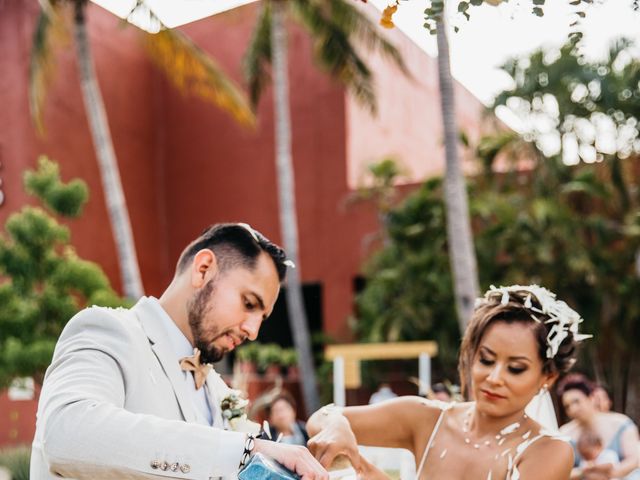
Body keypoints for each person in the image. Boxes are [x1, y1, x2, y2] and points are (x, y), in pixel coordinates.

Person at [30, 223, 328, 480]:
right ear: (203, 270)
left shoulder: (216, 389)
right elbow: (66, 432)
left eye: (261, 317)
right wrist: (248, 448)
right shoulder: (107, 329)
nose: (253, 331)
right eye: (249, 303)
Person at [307, 284, 589, 480]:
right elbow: (320, 418)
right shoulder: (427, 419)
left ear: (547, 377)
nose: (494, 378)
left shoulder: (548, 450)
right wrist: (338, 427)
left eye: (515, 369)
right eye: (486, 360)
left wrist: (367, 469)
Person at [558, 374, 640, 480]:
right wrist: (583, 472)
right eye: (567, 406)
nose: (573, 409)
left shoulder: (621, 423)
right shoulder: (564, 434)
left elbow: (634, 460)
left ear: (591, 398)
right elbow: (561, 473)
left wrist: (610, 474)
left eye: (576, 401)